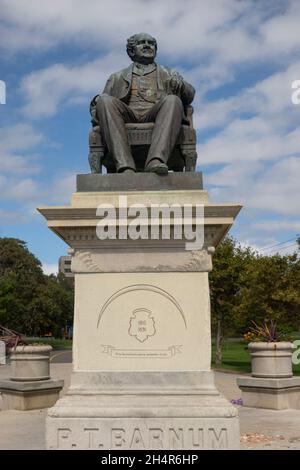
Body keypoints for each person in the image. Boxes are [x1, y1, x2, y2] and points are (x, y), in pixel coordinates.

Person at [95, 33, 195, 175]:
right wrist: (97, 104)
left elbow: (190, 96)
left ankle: (156, 161)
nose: (147, 45)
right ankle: (125, 166)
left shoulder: (168, 73)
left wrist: (181, 85)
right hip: (127, 115)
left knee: (173, 100)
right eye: (142, 42)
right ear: (131, 50)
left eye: (151, 43)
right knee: (104, 99)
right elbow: (100, 107)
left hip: (155, 114)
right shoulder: (116, 77)